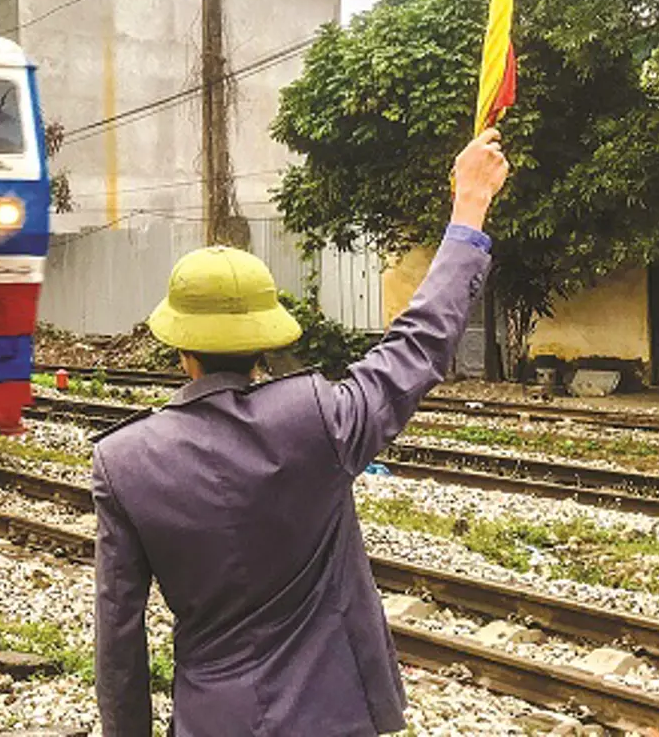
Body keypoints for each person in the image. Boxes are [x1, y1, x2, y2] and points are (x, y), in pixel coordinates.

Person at [92, 128, 510, 737]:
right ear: (267, 340)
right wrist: (468, 207)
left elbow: (119, 637)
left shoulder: (123, 462)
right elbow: (418, 345)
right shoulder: (320, 419)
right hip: (336, 716)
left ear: (181, 350)